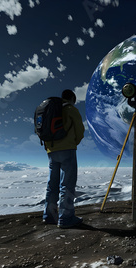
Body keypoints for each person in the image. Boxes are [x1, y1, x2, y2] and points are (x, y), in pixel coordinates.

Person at [43, 89, 85, 228]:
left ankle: (49, 216)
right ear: (72, 98)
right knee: (67, 184)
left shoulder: (51, 109)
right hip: (67, 150)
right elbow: (79, 130)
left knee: (52, 184)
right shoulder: (70, 109)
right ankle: (65, 218)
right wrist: (73, 142)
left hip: (51, 150)